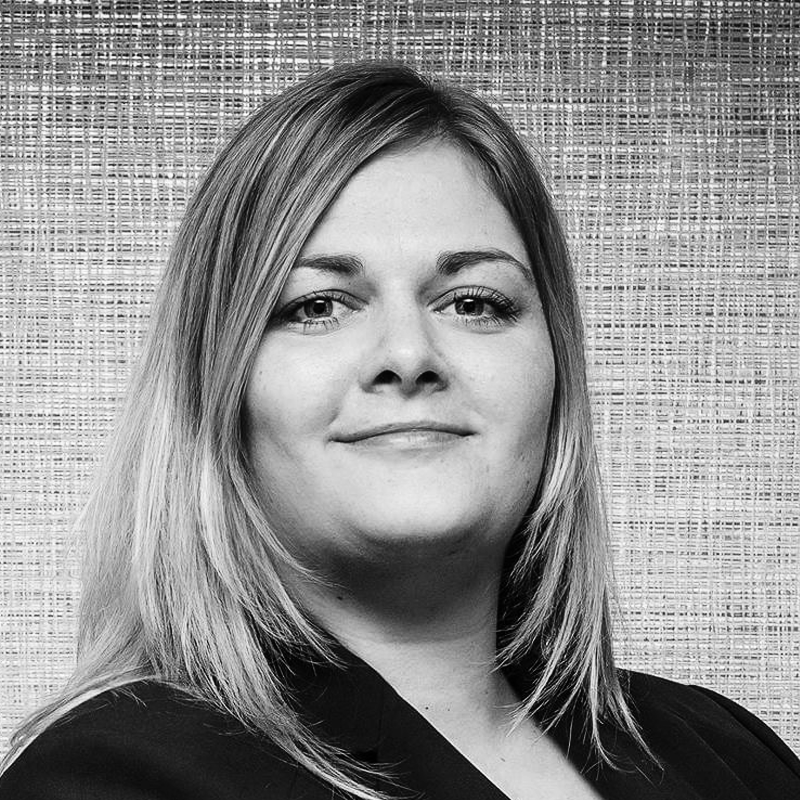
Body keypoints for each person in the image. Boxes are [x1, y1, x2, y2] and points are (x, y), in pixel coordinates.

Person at [0, 60, 797, 800]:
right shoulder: (110, 776)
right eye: (318, 306)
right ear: (218, 390)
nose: (409, 355)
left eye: (475, 302)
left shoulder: (725, 750)